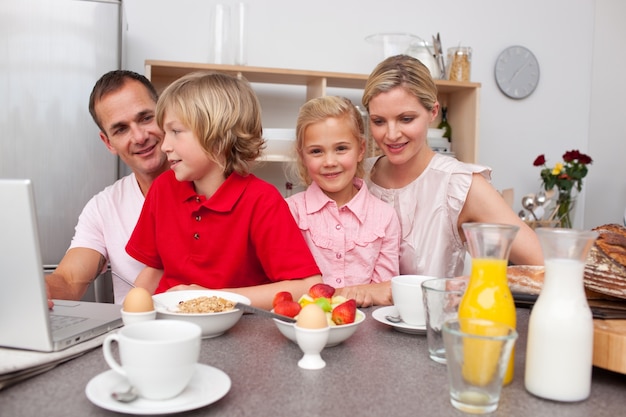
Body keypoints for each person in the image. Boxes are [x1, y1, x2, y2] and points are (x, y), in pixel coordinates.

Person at [126, 71, 323, 310]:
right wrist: (129, 314)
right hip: (171, 324)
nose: (165, 146)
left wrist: (215, 298)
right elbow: (155, 269)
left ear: (218, 137)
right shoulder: (163, 189)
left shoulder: (262, 201)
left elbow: (307, 286)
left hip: (237, 334)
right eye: (165, 133)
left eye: (176, 132)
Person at [357, 54, 543, 282]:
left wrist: (472, 284)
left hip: (433, 317)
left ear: (433, 112)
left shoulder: (459, 185)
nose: (392, 134)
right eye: (379, 121)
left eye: (406, 119)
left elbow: (542, 265)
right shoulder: (357, 178)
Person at [45, 70, 170, 305]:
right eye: (121, 129)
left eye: (145, 118)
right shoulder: (103, 208)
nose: (140, 136)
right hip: (131, 336)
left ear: (164, 114)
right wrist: (44, 289)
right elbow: (70, 280)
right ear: (108, 142)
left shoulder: (211, 187)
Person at [286, 96, 401, 306]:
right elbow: (287, 288)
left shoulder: (385, 217)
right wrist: (359, 293)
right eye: (316, 151)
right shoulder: (290, 211)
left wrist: (371, 293)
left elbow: (386, 291)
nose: (330, 162)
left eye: (341, 149)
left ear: (361, 149)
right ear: (302, 156)